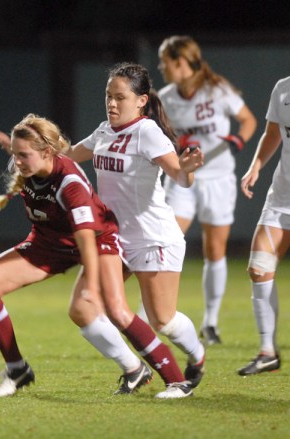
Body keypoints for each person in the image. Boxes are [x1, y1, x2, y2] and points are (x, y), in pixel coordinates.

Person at [0, 113, 191, 399]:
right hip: (50, 242)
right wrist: (15, 148)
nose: (18, 161)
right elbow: (27, 156)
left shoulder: (70, 184)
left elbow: (87, 238)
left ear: (47, 152)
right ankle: (18, 369)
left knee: (115, 309)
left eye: (24, 155)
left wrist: (95, 282)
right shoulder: (28, 164)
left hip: (97, 241)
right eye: (15, 154)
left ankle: (177, 381)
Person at [68, 62, 206, 398]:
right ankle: (134, 368)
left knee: (163, 320)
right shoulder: (104, 130)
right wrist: (32, 154)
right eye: (108, 96)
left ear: (142, 100)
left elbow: (179, 176)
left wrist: (187, 170)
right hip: (113, 239)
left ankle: (196, 355)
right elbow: (68, 157)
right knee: (83, 308)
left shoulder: (147, 132)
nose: (112, 104)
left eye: (120, 97)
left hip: (151, 238)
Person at [157, 35, 257, 345]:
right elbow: (160, 137)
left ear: (182, 62)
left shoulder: (218, 90)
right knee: (167, 240)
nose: (162, 67)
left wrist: (238, 141)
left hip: (218, 178)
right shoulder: (165, 97)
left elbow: (248, 121)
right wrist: (175, 146)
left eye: (166, 61)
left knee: (215, 251)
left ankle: (210, 323)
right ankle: (157, 311)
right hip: (182, 179)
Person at [237, 76, 290, 376]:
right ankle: (267, 352)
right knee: (259, 266)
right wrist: (256, 164)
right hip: (282, 198)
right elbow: (273, 131)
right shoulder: (283, 87)